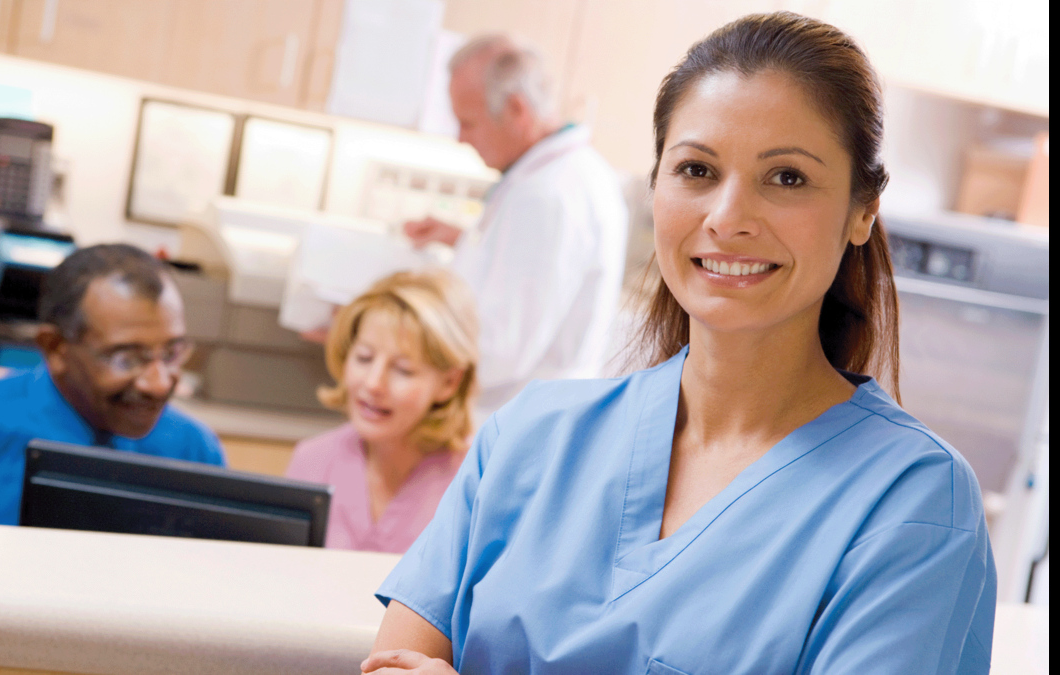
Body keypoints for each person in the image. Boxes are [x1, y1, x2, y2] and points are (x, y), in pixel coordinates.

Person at [363, 12, 995, 675]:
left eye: (786, 178)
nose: (727, 218)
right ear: (657, 183)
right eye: (697, 169)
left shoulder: (914, 504)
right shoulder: (526, 439)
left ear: (863, 209)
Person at [403, 35, 628, 418]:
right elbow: (532, 272)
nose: (460, 137)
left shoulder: (546, 196)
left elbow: (498, 349)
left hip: (506, 420)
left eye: (467, 122)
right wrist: (465, 240)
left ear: (516, 110)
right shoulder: (569, 173)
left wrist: (394, 346)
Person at [0, 244, 225, 525]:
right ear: (56, 348)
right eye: (127, 358)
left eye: (172, 354)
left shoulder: (194, 452)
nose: (158, 385)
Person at [285, 270, 479, 554]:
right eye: (364, 357)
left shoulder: (475, 484)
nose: (374, 384)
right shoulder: (312, 461)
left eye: (403, 370)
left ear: (450, 382)